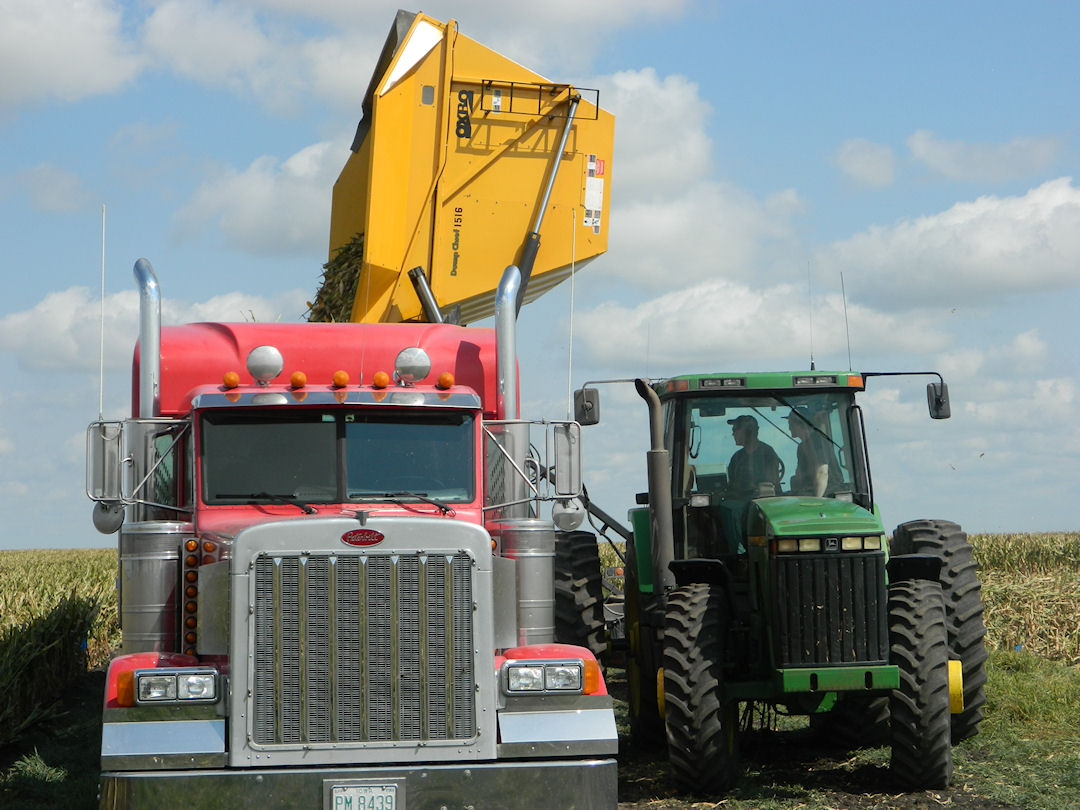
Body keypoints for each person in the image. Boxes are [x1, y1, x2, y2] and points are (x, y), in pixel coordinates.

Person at [725, 414, 782, 499]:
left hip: (763, 503)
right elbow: (730, 484)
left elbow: (770, 485)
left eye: (735, 430)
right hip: (740, 503)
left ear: (747, 431)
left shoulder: (767, 453)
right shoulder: (737, 457)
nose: (733, 434)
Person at [787, 410, 842, 496]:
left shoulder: (818, 441)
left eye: (791, 424)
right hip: (809, 492)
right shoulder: (801, 448)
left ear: (801, 424)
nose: (789, 428)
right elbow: (799, 475)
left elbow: (822, 473)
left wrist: (816, 501)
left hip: (828, 494)